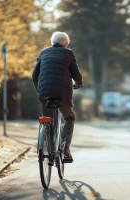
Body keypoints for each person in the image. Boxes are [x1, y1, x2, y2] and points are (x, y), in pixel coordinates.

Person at [32, 31, 83, 163]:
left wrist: (40, 90)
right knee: (70, 117)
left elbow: (34, 75)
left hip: (44, 92)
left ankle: (48, 145)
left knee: (47, 120)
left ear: (52, 42)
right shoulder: (68, 53)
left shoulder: (43, 53)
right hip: (62, 93)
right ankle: (65, 146)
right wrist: (78, 84)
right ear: (65, 44)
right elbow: (76, 74)